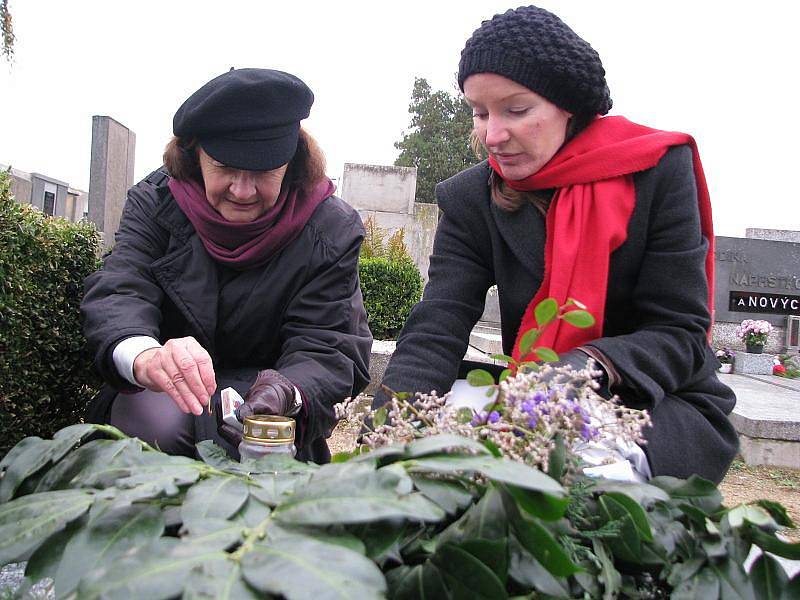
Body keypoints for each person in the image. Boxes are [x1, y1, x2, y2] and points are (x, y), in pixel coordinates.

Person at [375, 6, 738, 483]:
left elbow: (681, 335)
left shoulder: (657, 172)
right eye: (479, 113)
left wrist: (585, 367)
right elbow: (438, 325)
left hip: (655, 404)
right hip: (529, 396)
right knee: (439, 468)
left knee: (581, 485)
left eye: (516, 110)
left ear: (568, 105)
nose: (492, 135)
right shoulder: (470, 199)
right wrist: (388, 432)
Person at [82, 68, 372, 463]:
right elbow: (122, 286)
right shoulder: (154, 204)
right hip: (161, 404)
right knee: (158, 421)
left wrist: (288, 392)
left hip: (269, 428)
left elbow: (327, 344)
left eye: (263, 173)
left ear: (292, 163)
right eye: (224, 168)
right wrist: (146, 356)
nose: (242, 190)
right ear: (194, 155)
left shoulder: (330, 231)